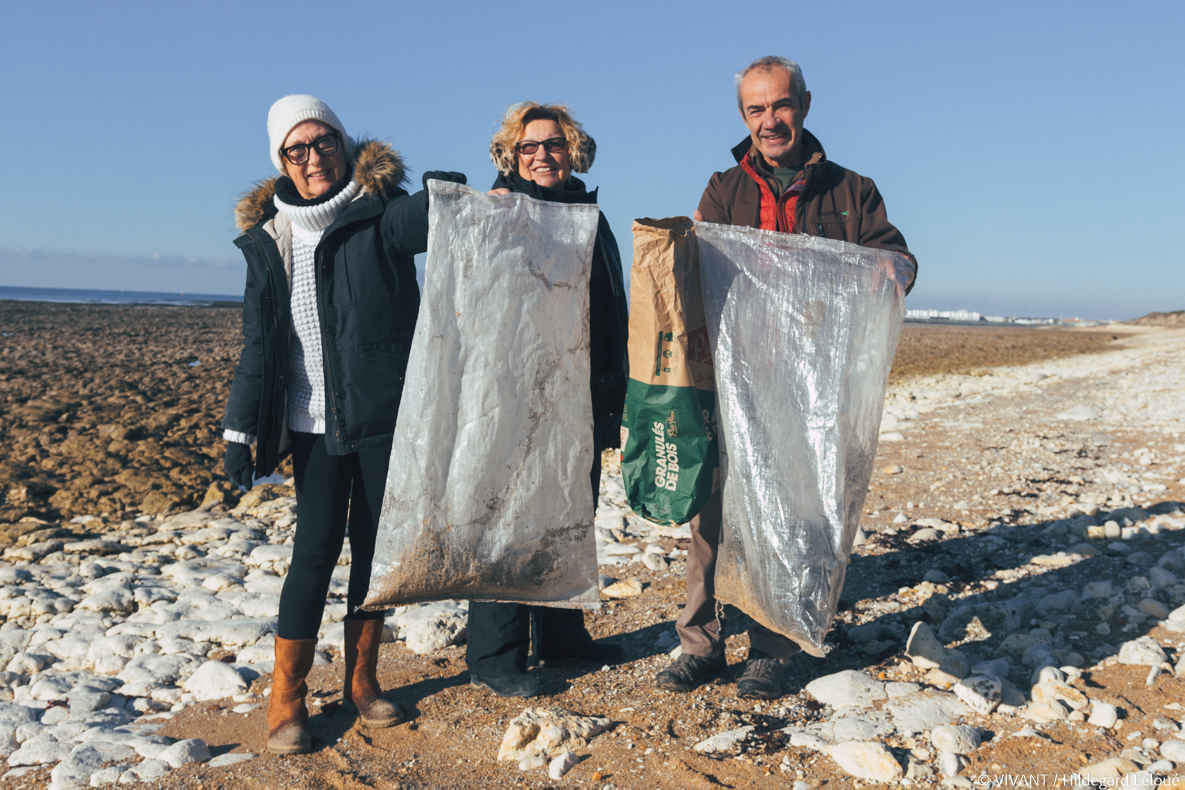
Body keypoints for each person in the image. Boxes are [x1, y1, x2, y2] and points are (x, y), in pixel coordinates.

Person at [656, 56, 917, 700]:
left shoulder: (852, 190)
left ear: (803, 103)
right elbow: (696, 268)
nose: (769, 121)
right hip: (733, 377)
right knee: (713, 517)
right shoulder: (724, 189)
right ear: (743, 115)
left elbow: (897, 256)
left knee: (796, 516)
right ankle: (701, 643)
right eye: (755, 109)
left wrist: (893, 269)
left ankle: (773, 646)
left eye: (779, 106)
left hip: (811, 391)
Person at [222, 95, 465, 753]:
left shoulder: (378, 214)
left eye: (322, 141)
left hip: (384, 421)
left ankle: (363, 680)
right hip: (310, 428)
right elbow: (258, 347)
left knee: (376, 554)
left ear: (343, 142)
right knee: (313, 553)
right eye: (295, 150)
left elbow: (427, 220)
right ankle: (287, 700)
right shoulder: (268, 240)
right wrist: (239, 431)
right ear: (281, 161)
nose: (311, 158)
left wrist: (442, 188)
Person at [464, 102, 630, 698]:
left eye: (553, 145)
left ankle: (561, 636)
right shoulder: (499, 212)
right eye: (529, 146)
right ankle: (493, 652)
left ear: (572, 151)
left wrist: (615, 391)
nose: (542, 155)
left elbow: (610, 305)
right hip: (515, 390)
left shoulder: (590, 214)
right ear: (512, 153)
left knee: (570, 510)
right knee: (509, 518)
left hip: (580, 390)